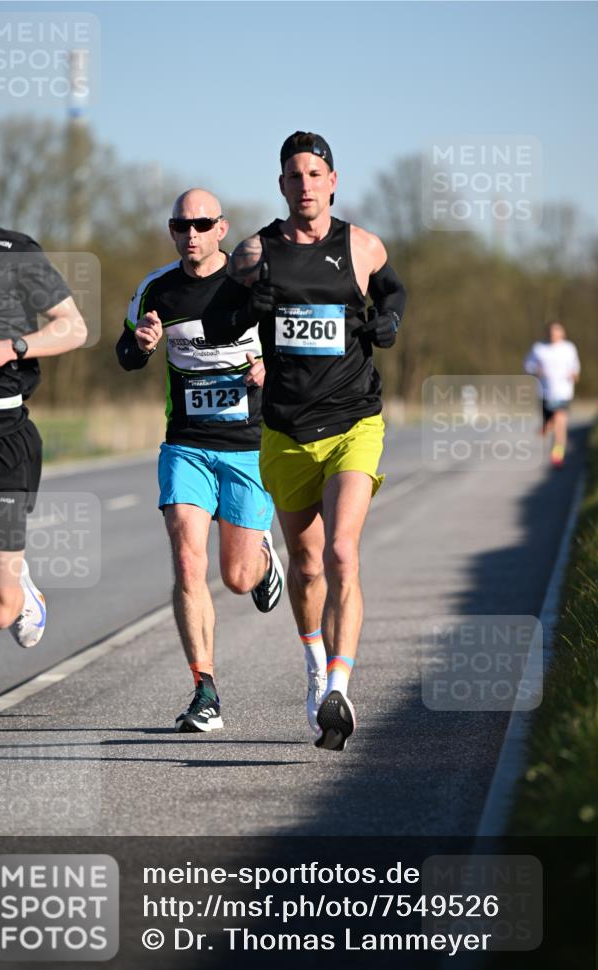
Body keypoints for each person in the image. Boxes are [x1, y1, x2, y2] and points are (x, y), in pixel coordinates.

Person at [203, 131, 406, 751]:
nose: (305, 185)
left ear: (333, 180)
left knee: (343, 553)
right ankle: (316, 669)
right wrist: (248, 308)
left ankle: (340, 688)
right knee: (308, 563)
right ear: (282, 184)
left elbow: (393, 290)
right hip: (286, 429)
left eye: (316, 174)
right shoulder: (253, 252)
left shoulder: (363, 246)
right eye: (294, 176)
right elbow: (217, 325)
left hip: (353, 420)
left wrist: (389, 319)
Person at [0, 127, 88, 797]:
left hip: (1, 437)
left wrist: (14, 346)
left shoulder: (13, 253)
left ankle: (20, 586)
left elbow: (75, 327)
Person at [116, 188, 284, 735]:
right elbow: (126, 355)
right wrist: (141, 346)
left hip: (246, 445)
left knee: (236, 579)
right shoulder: (155, 289)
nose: (190, 234)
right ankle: (204, 689)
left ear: (221, 228)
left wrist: (268, 371)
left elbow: (292, 356)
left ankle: (262, 558)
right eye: (180, 225)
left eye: (202, 224)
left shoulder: (254, 284)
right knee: (189, 562)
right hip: (185, 443)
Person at [524, 322, 580, 468]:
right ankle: (546, 426)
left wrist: (574, 374)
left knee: (560, 423)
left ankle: (557, 455)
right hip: (545, 393)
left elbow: (575, 366)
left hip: (563, 392)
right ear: (547, 333)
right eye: (551, 332)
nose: (554, 334)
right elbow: (528, 365)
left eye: (557, 331)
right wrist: (537, 370)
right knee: (551, 424)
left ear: (562, 333)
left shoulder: (569, 348)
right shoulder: (539, 348)